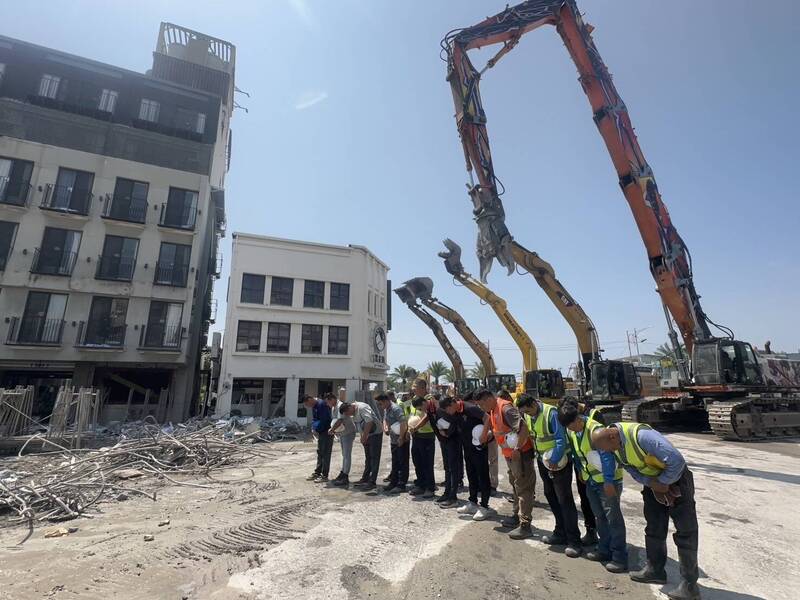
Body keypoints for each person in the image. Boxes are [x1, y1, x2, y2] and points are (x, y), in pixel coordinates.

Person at [594, 423, 701, 600]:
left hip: (677, 481)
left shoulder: (642, 436)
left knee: (686, 532)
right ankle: (655, 570)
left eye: (607, 449)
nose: (607, 452)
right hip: (653, 484)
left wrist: (664, 482)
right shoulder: (614, 446)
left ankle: (690, 586)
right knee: (654, 528)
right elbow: (630, 468)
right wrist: (652, 484)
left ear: (612, 437)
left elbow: (677, 461)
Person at [558, 399, 628, 572]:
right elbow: (577, 453)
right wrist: (582, 470)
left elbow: (606, 456)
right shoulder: (573, 432)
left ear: (578, 419)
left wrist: (609, 481)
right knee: (600, 517)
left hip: (607, 482)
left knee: (614, 519)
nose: (570, 430)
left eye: (571, 426)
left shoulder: (594, 429)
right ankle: (604, 549)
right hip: (591, 481)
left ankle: (619, 556)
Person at [517, 393, 582, 558]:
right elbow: (534, 436)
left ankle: (574, 541)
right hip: (543, 461)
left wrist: (554, 459)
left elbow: (561, 439)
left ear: (533, 403)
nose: (528, 415)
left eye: (529, 411)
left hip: (559, 463)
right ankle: (560, 532)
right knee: (550, 495)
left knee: (564, 500)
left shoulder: (551, 413)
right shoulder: (528, 414)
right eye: (525, 412)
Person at [476, 388, 535, 539]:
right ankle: (516, 516)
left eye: (482, 405)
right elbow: (498, 429)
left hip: (520, 455)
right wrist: (486, 434)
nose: (482, 409)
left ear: (488, 399)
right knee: (516, 487)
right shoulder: (493, 409)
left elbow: (523, 428)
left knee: (523, 489)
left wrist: (517, 448)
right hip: (511, 456)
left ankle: (525, 525)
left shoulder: (505, 408)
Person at [449, 391, 494, 521]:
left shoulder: (470, 408)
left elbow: (488, 418)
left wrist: (484, 436)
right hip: (467, 448)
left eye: (448, 409)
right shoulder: (456, 412)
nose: (449, 412)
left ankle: (484, 506)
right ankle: (473, 502)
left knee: (482, 476)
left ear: (453, 404)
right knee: (471, 475)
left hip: (478, 447)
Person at [341, 399, 383, 491]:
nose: (349, 415)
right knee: (368, 457)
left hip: (375, 433)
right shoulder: (353, 411)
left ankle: (372, 482)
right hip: (366, 434)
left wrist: (365, 436)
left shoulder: (362, 407)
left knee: (374, 457)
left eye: (348, 413)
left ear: (350, 407)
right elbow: (359, 425)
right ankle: (365, 478)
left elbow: (369, 422)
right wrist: (362, 436)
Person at [407, 378, 436, 499]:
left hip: (426, 435)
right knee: (417, 461)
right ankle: (421, 484)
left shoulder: (429, 399)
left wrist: (416, 427)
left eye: (415, 387)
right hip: (416, 436)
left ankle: (430, 487)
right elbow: (412, 415)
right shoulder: (414, 400)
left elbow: (428, 417)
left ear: (423, 388)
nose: (413, 389)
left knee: (427, 463)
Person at [436, 396, 465, 508]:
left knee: (454, 469)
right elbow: (437, 421)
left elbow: (457, 425)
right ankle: (447, 493)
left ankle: (453, 497)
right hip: (445, 441)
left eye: (448, 409)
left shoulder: (458, 412)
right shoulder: (440, 409)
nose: (447, 412)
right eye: (445, 410)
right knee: (447, 468)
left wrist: (448, 433)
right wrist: (441, 430)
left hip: (454, 441)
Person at [378, 392, 409, 493]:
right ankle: (393, 482)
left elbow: (403, 423)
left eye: (381, 404)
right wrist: (385, 427)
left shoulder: (396, 409)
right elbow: (385, 420)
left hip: (401, 439)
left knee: (402, 462)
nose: (380, 406)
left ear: (386, 401)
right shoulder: (387, 409)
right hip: (393, 440)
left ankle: (401, 484)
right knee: (395, 462)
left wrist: (401, 438)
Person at [326, 391, 356, 487]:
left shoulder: (340, 406)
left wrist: (332, 429)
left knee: (347, 455)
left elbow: (340, 420)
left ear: (333, 399)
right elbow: (335, 421)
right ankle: (343, 473)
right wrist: (335, 431)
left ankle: (345, 476)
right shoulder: (333, 407)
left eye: (328, 402)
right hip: (343, 433)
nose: (327, 404)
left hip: (348, 432)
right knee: (344, 454)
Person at [304, 394, 333, 483]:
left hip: (327, 432)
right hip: (321, 432)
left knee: (325, 453)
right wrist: (314, 428)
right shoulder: (315, 406)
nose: (308, 406)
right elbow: (315, 419)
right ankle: (317, 472)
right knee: (320, 452)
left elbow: (324, 420)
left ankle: (324, 475)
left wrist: (317, 429)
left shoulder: (322, 404)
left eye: (308, 404)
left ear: (310, 399)